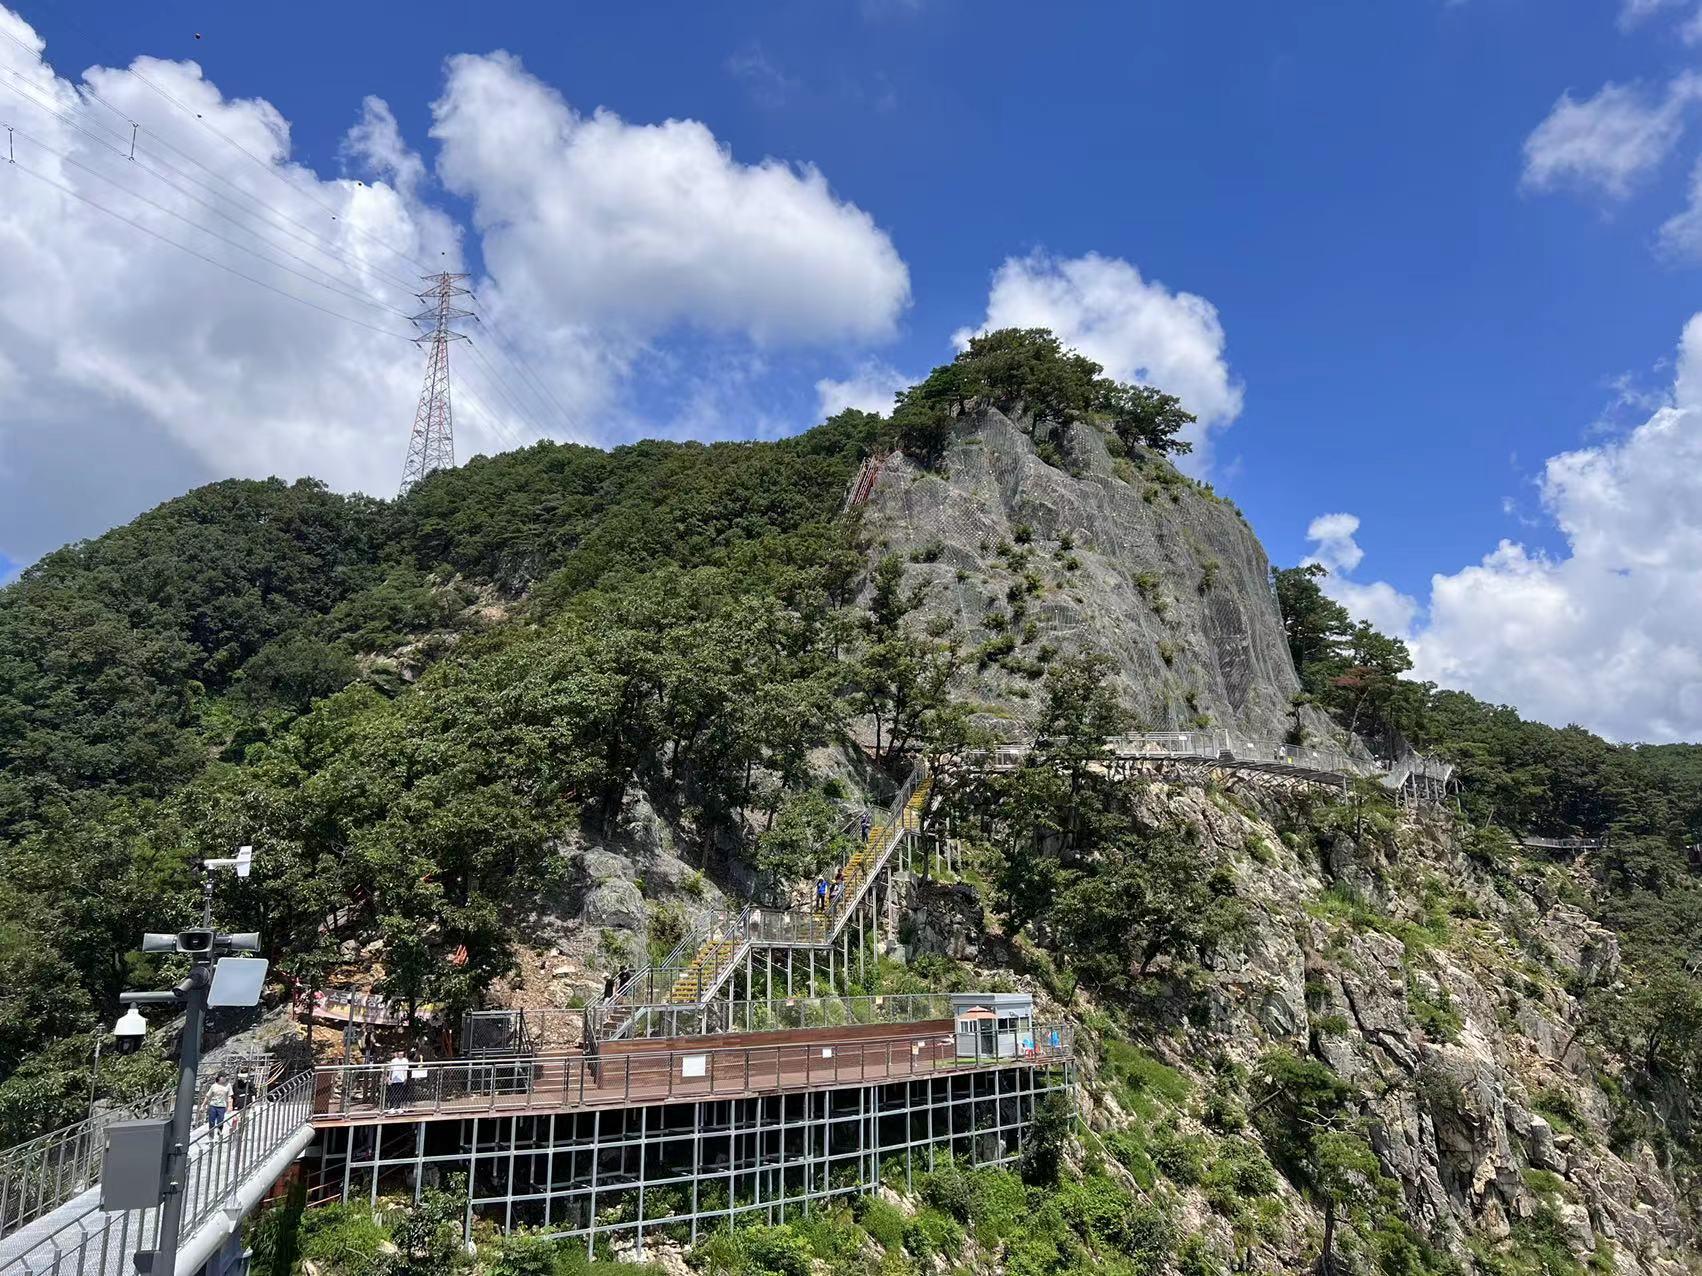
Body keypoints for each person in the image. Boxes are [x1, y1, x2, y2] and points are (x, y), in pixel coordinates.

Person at [204, 1072, 233, 1138]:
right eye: (224, 1077)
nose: (225, 1078)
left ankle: (219, 1134)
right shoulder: (214, 1086)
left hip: (222, 1106)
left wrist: (230, 1106)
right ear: (220, 1078)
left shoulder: (228, 1085)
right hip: (213, 1105)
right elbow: (208, 1096)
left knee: (220, 1121)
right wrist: (203, 1105)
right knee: (211, 1122)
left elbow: (229, 1096)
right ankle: (211, 1136)